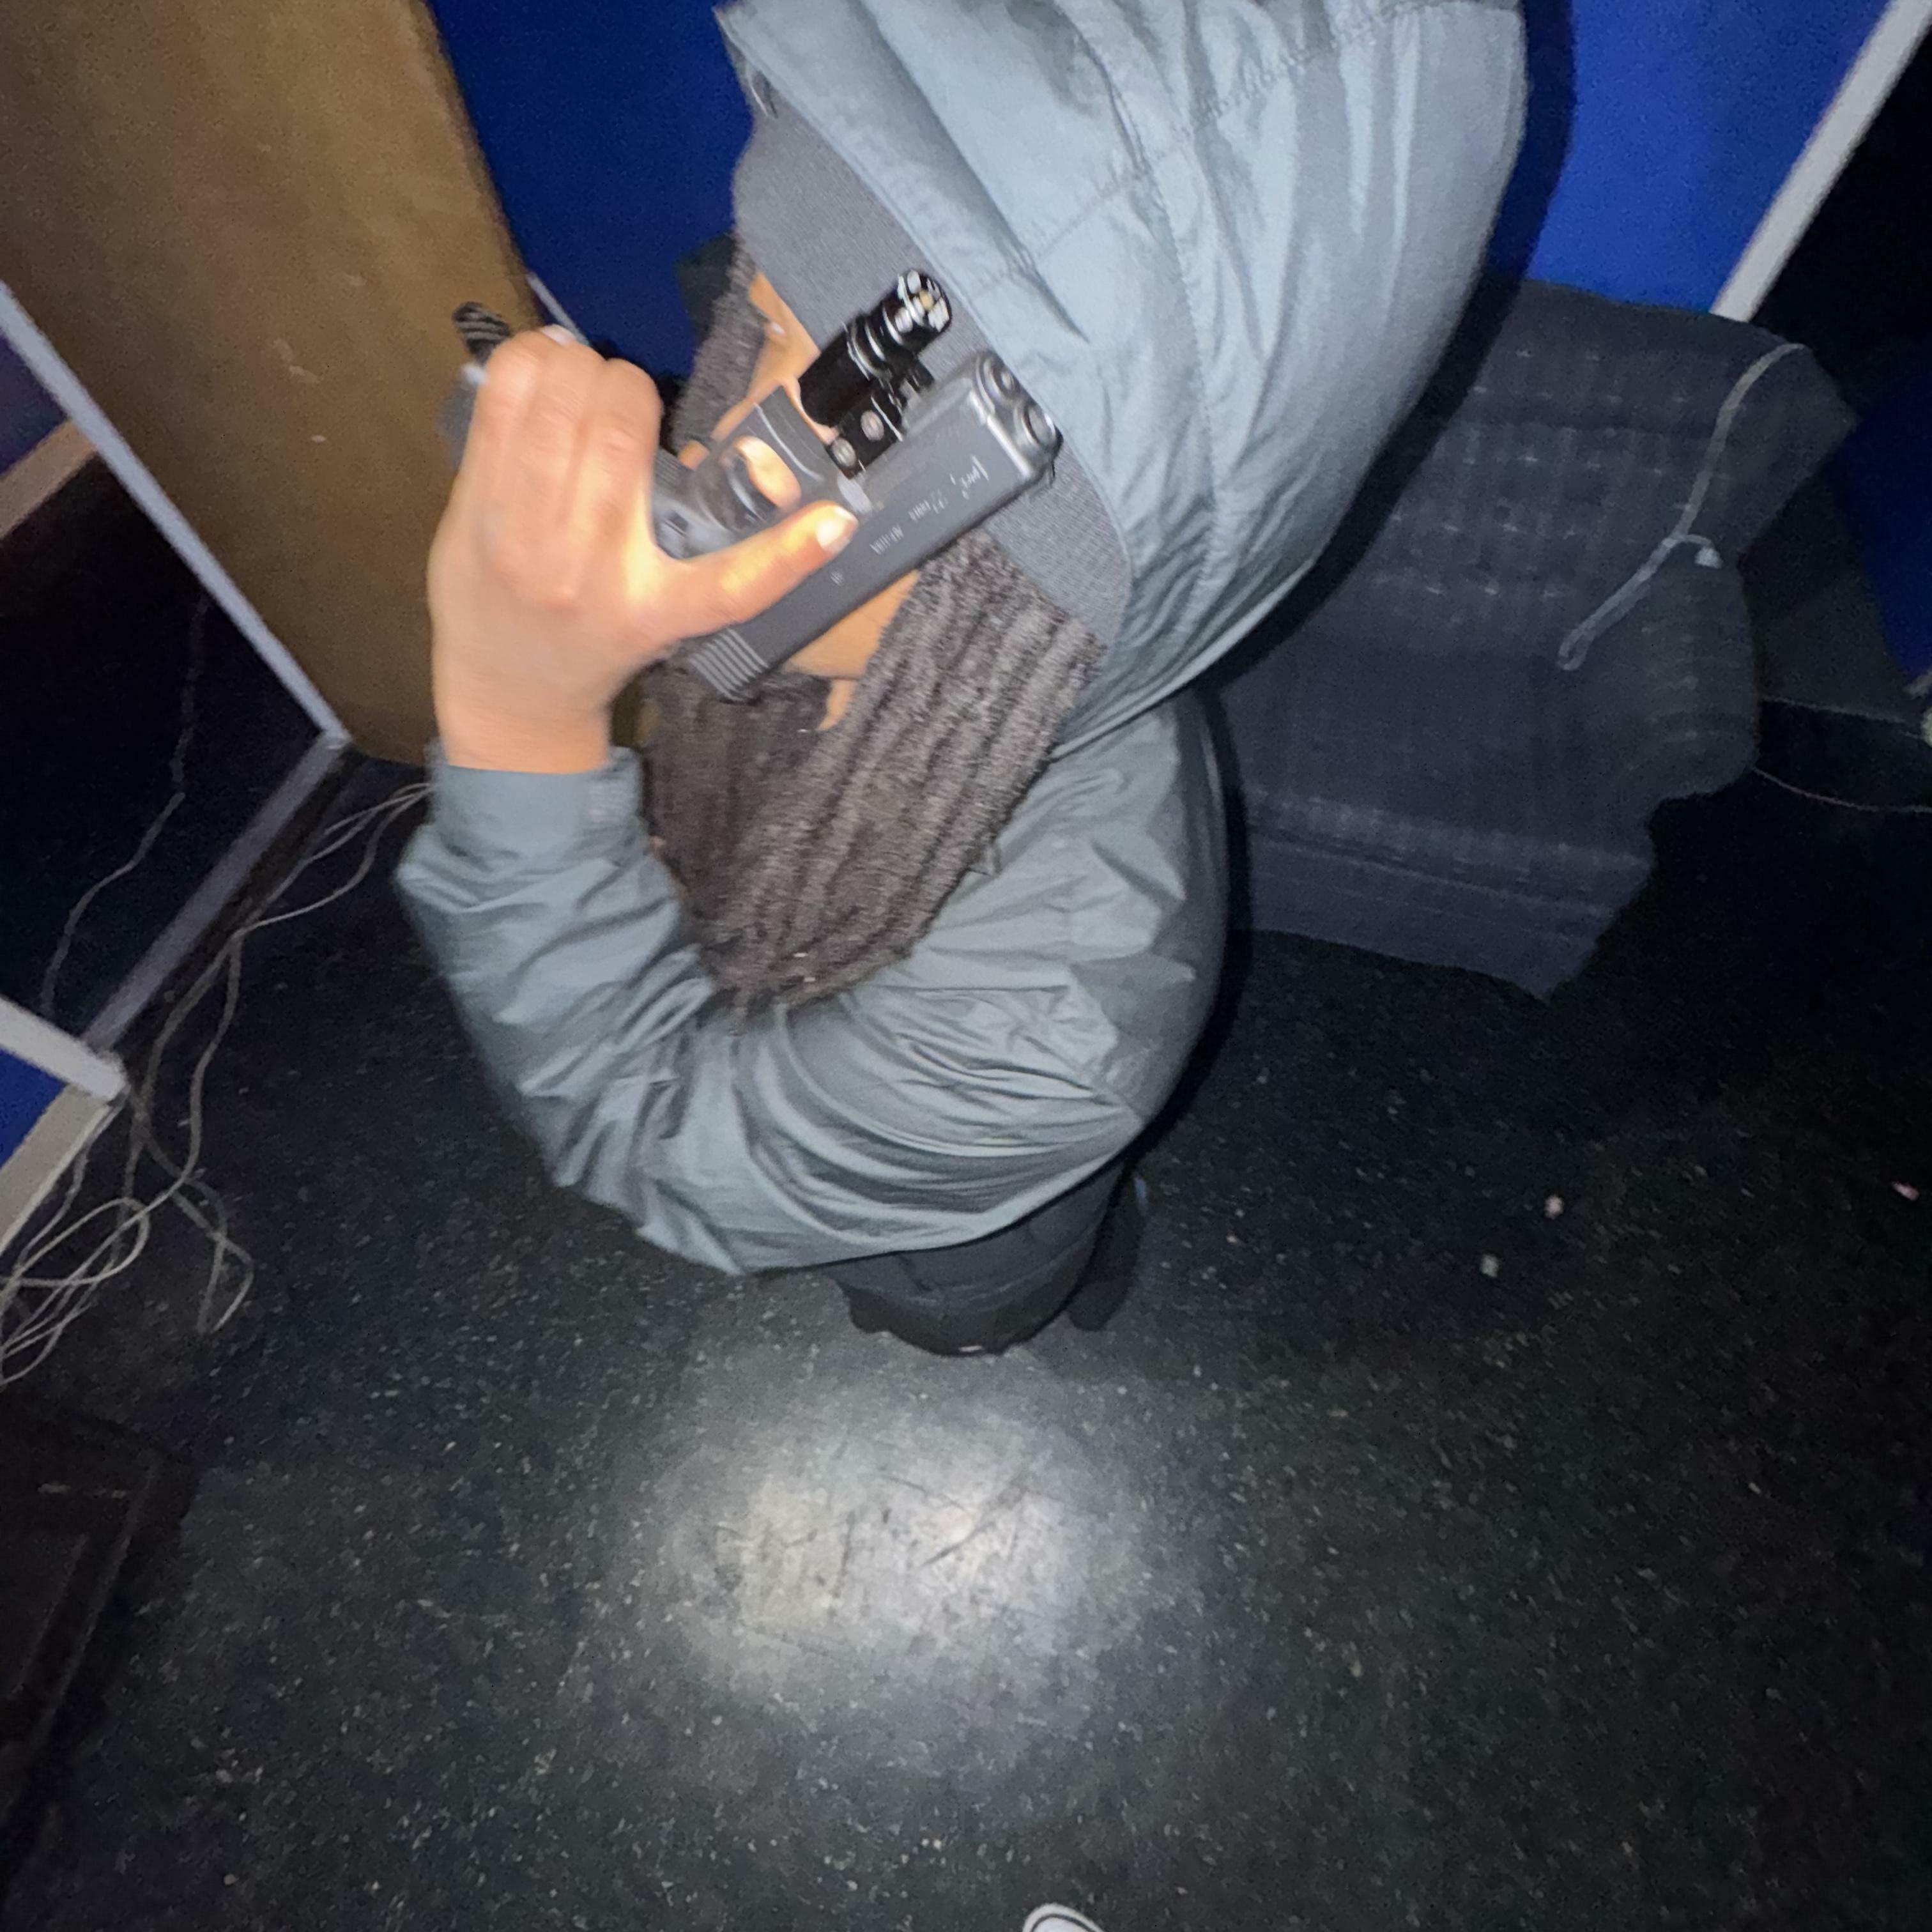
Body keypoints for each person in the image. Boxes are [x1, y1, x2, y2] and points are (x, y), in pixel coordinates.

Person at [397, 0, 1526, 1353]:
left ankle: (1057, 1277)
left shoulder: (1044, 1037)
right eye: (763, 325)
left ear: (1020, 570)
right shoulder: (983, 649)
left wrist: (519, 722)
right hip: (903, 1135)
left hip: (960, 1243)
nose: (717, 445)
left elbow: (650, 1127)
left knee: (957, 1301)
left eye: (831, 435)